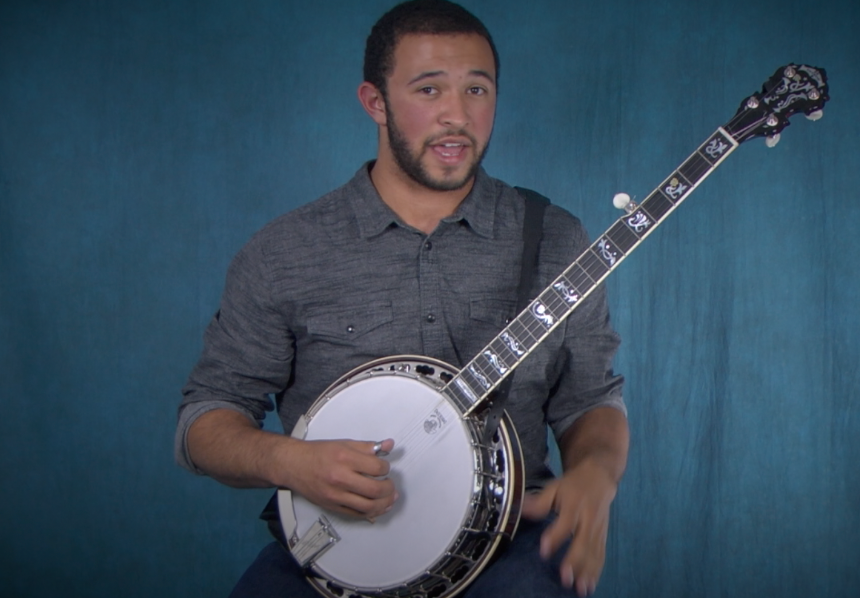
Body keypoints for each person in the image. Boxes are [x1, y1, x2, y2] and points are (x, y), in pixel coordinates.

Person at [176, 1, 629, 596]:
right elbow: (203, 422)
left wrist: (597, 473)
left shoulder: (556, 239)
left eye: (476, 89)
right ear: (375, 102)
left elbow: (589, 399)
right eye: (428, 89)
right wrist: (290, 463)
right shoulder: (283, 252)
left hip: (508, 547)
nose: (457, 116)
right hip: (336, 556)